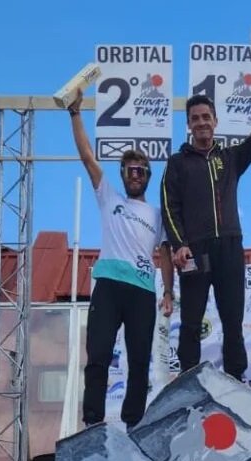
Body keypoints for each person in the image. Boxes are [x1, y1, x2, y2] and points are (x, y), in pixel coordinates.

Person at [160, 56, 251, 381]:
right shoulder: (177, 163)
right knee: (191, 323)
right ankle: (187, 382)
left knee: (232, 321)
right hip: (194, 251)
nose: (201, 122)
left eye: (206, 117)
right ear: (188, 124)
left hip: (229, 246)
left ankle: (235, 382)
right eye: (195, 118)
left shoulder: (231, 157)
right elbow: (170, 206)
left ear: (216, 120)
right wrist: (179, 244)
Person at [67, 90, 174, 429]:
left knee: (140, 362)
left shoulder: (157, 215)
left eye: (141, 170)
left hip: (142, 291)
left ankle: (134, 424)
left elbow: (167, 254)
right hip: (110, 286)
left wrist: (169, 291)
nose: (135, 174)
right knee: (97, 355)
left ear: (148, 176)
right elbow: (87, 157)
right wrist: (75, 114)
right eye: (129, 170)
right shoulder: (108, 197)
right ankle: (93, 423)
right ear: (123, 173)